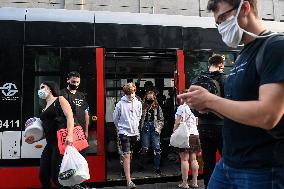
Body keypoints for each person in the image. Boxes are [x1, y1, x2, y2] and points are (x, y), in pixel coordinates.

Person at [183, 0, 284, 188]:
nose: (220, 27)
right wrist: (206, 104)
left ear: (245, 8)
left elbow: (268, 115)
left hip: (262, 169)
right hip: (228, 163)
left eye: (222, 18)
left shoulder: (275, 47)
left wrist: (211, 100)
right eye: (217, 22)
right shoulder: (243, 55)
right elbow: (237, 111)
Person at [25, 81, 74, 189]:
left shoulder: (60, 99)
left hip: (60, 142)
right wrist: (34, 139)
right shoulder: (44, 108)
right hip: (50, 143)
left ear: (50, 88)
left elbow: (70, 116)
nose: (40, 90)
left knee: (56, 178)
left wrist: (70, 135)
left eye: (42, 87)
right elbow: (45, 131)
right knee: (43, 175)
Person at [193, 54, 226, 188]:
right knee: (227, 160)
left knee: (208, 162)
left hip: (203, 126)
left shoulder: (197, 79)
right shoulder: (225, 79)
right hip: (221, 126)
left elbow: (192, 104)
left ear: (209, 64)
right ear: (221, 64)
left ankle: (208, 186)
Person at [113, 82, 142, 189]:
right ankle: (129, 181)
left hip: (134, 133)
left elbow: (139, 116)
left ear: (135, 90)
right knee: (126, 155)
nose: (131, 95)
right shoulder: (120, 104)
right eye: (129, 93)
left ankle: (125, 167)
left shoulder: (138, 103)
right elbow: (115, 119)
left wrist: (136, 128)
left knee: (129, 154)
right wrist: (120, 128)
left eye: (133, 92)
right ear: (125, 93)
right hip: (124, 132)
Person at [173, 98, 201, 189]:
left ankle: (185, 184)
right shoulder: (196, 107)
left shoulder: (182, 108)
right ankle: (195, 183)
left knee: (184, 159)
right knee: (193, 159)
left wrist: (174, 131)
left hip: (185, 135)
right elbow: (197, 122)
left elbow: (177, 122)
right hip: (194, 135)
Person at [138, 90, 164, 175]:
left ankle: (157, 167)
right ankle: (141, 164)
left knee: (157, 148)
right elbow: (138, 118)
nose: (150, 98)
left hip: (154, 127)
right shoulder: (142, 106)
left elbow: (161, 119)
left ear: (154, 97)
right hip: (145, 127)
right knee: (145, 148)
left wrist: (158, 129)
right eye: (148, 96)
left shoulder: (157, 106)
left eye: (151, 97)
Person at [61, 71, 90, 147]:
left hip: (81, 131)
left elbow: (86, 113)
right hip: (67, 130)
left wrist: (86, 131)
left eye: (78, 82)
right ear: (68, 80)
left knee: (81, 154)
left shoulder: (81, 95)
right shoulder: (62, 94)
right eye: (73, 82)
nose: (76, 84)